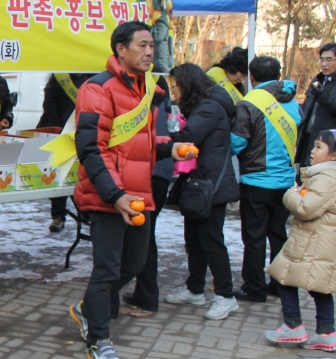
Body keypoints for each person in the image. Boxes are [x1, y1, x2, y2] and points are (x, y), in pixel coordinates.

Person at [67, 21, 191, 359]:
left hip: (139, 193)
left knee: (135, 263)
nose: (150, 51)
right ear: (121, 49)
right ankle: (98, 339)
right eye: (142, 45)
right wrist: (115, 195)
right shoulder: (97, 88)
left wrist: (171, 148)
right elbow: (91, 148)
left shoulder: (145, 89)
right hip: (109, 195)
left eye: (152, 45)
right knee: (106, 270)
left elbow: (141, 144)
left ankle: (90, 308)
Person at [163, 64, 241, 319]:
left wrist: (164, 132)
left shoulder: (209, 107)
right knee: (194, 239)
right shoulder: (205, 104)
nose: (174, 92)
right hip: (199, 182)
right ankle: (195, 289)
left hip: (211, 184)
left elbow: (187, 136)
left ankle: (226, 295)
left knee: (211, 240)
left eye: (176, 86)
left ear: (188, 84)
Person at [227, 56, 301, 303]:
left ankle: (254, 287)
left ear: (252, 77)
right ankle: (280, 284)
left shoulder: (250, 103)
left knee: (254, 237)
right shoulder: (292, 102)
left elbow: (237, 142)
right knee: (278, 233)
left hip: (257, 181)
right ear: (278, 76)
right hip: (285, 181)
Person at [265, 129, 336, 351]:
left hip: (312, 240)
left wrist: (291, 194)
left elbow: (306, 208)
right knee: (319, 286)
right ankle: (326, 331)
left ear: (333, 155)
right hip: (320, 241)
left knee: (283, 276)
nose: (312, 151)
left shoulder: (326, 178)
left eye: (318, 147)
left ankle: (292, 325)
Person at [123, 78, 175, 312]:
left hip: (146, 171)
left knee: (135, 238)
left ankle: (139, 295)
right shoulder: (161, 98)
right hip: (162, 172)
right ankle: (146, 294)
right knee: (146, 235)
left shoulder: (140, 101)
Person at [38, 73, 94, 232]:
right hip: (61, 134)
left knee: (83, 174)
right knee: (60, 175)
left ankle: (83, 211)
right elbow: (49, 103)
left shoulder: (94, 76)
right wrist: (60, 129)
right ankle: (58, 216)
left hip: (84, 132)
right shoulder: (59, 77)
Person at [296, 43, 336, 170]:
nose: (324, 64)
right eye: (322, 59)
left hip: (328, 144)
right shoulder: (317, 80)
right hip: (308, 138)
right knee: (304, 177)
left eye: (329, 60)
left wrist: (322, 95)